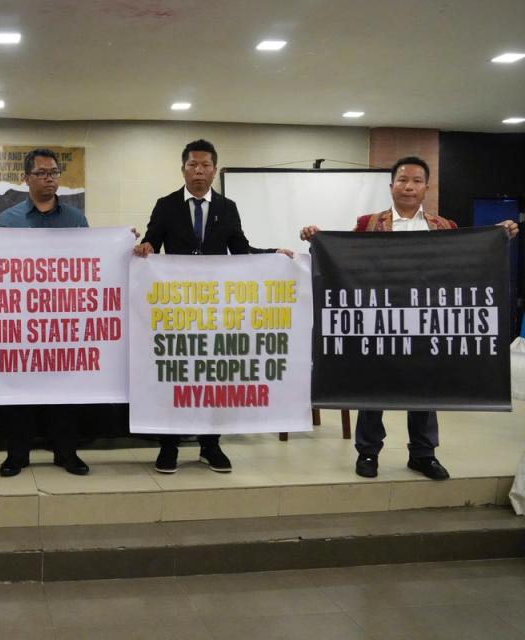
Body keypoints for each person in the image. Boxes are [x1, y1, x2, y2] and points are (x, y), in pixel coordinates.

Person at [300, 155, 519, 480]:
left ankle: (423, 453)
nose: (409, 186)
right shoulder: (368, 223)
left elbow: (463, 266)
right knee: (372, 387)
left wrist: (499, 236)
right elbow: (345, 259)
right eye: (402, 180)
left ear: (426, 188)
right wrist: (317, 238)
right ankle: (368, 453)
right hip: (379, 321)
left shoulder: (444, 227)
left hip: (427, 321)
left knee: (426, 386)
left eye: (416, 180)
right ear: (391, 186)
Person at [134, 139, 293, 474]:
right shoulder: (166, 205)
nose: (199, 171)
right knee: (174, 377)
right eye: (192, 165)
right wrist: (145, 246)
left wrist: (274, 256)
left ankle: (210, 444)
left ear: (214, 170)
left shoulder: (227, 206)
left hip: (215, 310)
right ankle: (169, 446)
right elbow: (151, 241)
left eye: (205, 166)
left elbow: (241, 250)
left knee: (213, 378)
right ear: (183, 169)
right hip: (176, 309)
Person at [0, 148, 90, 477]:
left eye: (54, 172)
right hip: (21, 321)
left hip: (63, 320)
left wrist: (121, 245)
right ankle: (17, 455)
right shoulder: (8, 221)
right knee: (19, 390)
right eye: (42, 172)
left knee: (65, 391)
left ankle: (66, 453)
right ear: (26, 178)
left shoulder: (76, 220)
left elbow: (91, 263)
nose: (49, 177)